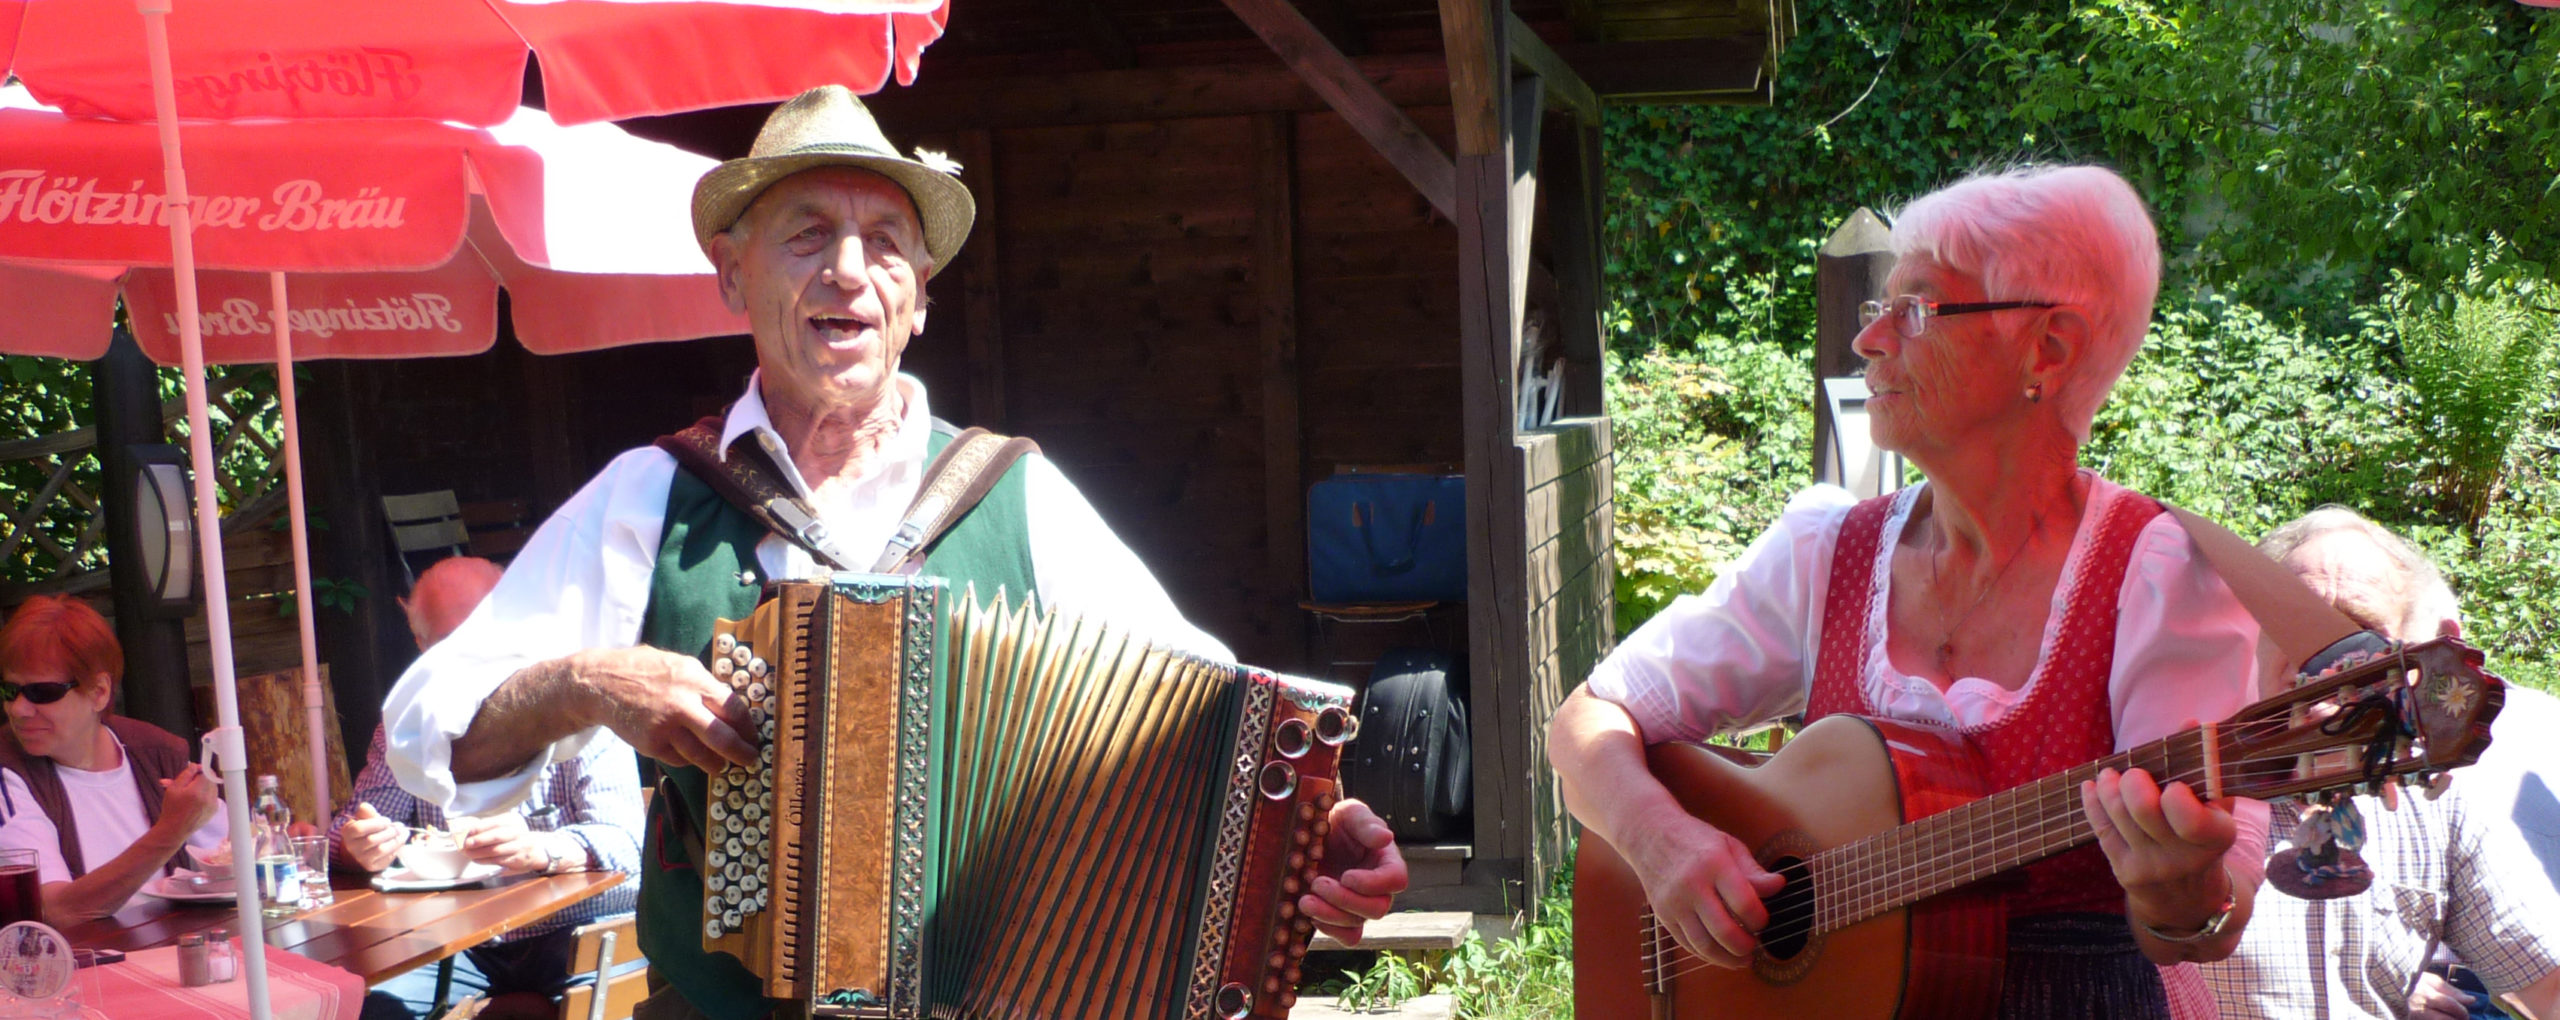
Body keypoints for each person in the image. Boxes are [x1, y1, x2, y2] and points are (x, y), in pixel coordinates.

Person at [379, 85, 1407, 1020]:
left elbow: (1210, 717)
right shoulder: (651, 499)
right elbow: (428, 734)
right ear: (732, 277)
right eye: (806, 236)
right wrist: (583, 682)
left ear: (918, 296)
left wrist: (1317, 833)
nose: (847, 271)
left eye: (883, 243)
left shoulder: (1016, 496)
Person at [1547, 164, 2272, 1018]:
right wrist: (1659, 841)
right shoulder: (1828, 553)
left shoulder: (2157, 579)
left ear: (2050, 349)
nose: (1870, 341)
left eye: (1918, 310)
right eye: (1877, 308)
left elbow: (2192, 924)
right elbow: (1589, 721)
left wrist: (2177, 898)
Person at [2197, 507, 2560, 1020]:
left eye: (2356, 629)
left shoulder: (2441, 807)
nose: (2316, 653)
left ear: (2418, 660)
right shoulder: (2188, 779)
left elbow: (2548, 981)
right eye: (2291, 618)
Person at [343, 556, 644, 1020]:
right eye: (449, 643)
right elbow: (354, 824)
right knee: (367, 1007)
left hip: (572, 932)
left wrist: (544, 850)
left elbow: (628, 846)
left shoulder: (576, 704)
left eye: (482, 635)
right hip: (456, 940)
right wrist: (358, 846)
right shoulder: (408, 729)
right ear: (421, 644)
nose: (470, 656)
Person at [0, 594, 225, 926]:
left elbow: (235, 854)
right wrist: (171, 830)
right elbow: (57, 911)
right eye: (9, 691)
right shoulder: (9, 772)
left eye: (41, 693)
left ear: (99, 692)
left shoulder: (156, 752)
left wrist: (279, 840)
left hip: (177, 953)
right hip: (85, 971)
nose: (18, 709)